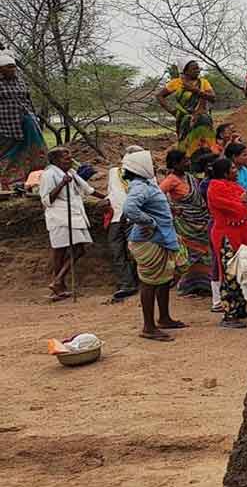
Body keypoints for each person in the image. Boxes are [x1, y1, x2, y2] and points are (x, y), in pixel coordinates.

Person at [120, 150, 185, 341]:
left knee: (163, 279)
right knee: (149, 282)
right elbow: (129, 208)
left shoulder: (145, 184)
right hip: (151, 240)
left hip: (158, 238)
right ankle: (148, 327)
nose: (155, 166)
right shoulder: (140, 186)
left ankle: (163, 318)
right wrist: (149, 222)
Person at [39, 147, 101, 301]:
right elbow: (46, 200)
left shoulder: (71, 172)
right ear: (55, 160)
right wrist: (61, 184)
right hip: (60, 217)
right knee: (63, 252)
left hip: (74, 216)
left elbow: (88, 189)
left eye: (70, 157)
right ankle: (58, 284)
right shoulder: (48, 175)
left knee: (76, 250)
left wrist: (106, 197)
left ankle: (58, 283)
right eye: (66, 158)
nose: (70, 161)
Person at [206, 157, 247, 329]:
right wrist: (246, 204)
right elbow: (241, 206)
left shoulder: (233, 186)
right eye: (233, 168)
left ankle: (239, 309)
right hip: (226, 235)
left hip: (239, 233)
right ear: (225, 172)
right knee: (230, 274)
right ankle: (229, 315)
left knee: (240, 270)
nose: (236, 170)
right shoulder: (215, 188)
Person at [157, 149, 212, 299]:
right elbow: (157, 196)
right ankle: (189, 286)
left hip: (200, 221)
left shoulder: (190, 177)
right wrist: (172, 208)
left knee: (205, 253)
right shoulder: (171, 180)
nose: (188, 163)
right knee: (190, 254)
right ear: (175, 164)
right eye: (184, 161)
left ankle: (204, 285)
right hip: (186, 224)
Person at [0, 53, 48, 189]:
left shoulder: (20, 81)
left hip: (27, 121)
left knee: (34, 151)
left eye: (14, 67)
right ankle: (7, 185)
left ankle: (32, 182)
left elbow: (27, 99)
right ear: (0, 69)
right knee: (9, 155)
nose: (12, 70)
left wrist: (32, 116)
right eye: (8, 67)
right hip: (6, 126)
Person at [158, 59, 218, 156]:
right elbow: (160, 96)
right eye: (194, 69)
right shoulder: (176, 83)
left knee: (206, 146)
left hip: (202, 119)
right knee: (185, 147)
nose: (198, 70)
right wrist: (171, 111)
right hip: (183, 120)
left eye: (198, 68)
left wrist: (195, 90)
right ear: (185, 71)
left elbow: (213, 98)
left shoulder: (203, 82)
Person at [105, 145, 142, 301]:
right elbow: (111, 191)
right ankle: (127, 283)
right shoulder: (114, 172)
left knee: (136, 250)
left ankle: (136, 281)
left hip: (134, 217)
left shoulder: (144, 175)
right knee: (117, 251)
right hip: (116, 215)